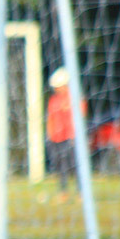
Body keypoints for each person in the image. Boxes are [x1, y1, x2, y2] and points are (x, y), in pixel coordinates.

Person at [46, 67, 84, 201]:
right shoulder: (53, 100)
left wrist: (76, 135)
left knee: (76, 165)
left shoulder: (74, 98)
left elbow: (80, 116)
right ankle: (63, 193)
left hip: (71, 137)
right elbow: (50, 117)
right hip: (56, 139)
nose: (56, 89)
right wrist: (49, 135)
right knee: (60, 166)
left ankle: (81, 192)